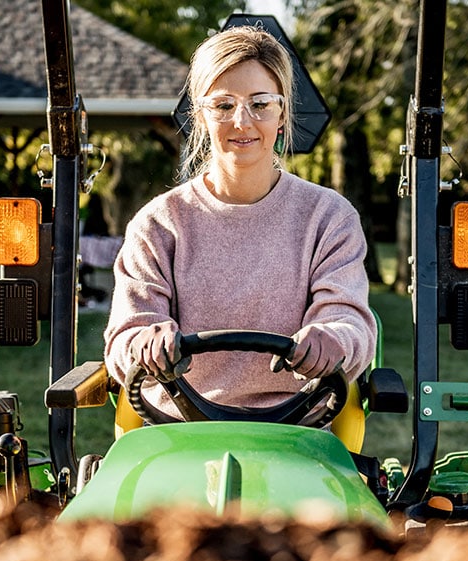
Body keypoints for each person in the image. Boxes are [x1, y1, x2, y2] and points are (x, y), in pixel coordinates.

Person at [103, 25, 377, 420]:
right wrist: (145, 341)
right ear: (200, 116)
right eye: (223, 105)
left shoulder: (328, 218)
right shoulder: (159, 224)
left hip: (296, 430)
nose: (242, 122)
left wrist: (332, 338)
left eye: (260, 103)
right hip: (179, 429)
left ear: (282, 113)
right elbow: (128, 333)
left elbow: (348, 320)